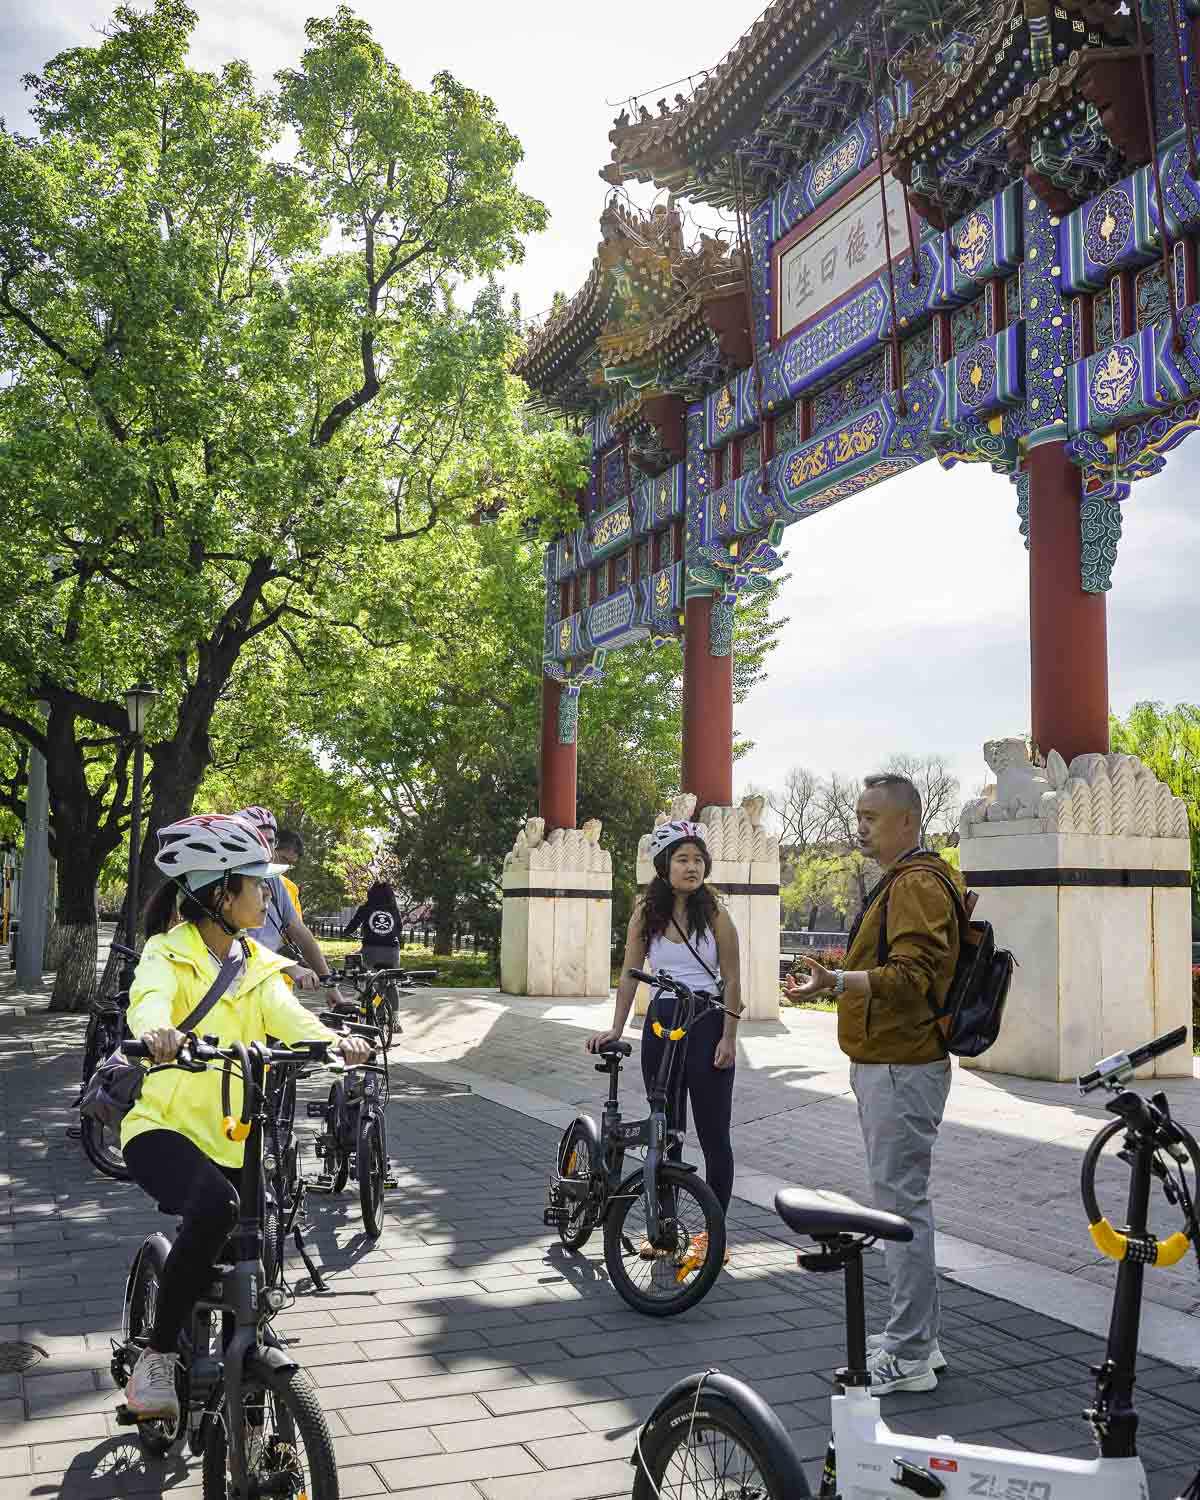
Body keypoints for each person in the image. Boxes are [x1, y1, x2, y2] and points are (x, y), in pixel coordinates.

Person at [120, 812, 371, 1421]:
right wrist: (156, 1030)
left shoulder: (254, 962)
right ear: (219, 894)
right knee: (217, 1209)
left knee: (257, 1230)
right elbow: (146, 997)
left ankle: (245, 1351)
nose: (269, 893)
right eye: (258, 883)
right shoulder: (167, 954)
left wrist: (333, 1044)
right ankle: (156, 1357)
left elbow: (286, 1014)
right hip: (163, 1131)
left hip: (233, 1134)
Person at [784, 772, 962, 1396]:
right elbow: (891, 967)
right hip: (895, 1062)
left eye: (872, 816)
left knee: (900, 1207)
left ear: (908, 820)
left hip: (901, 1065)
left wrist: (837, 984)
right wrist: (833, 979)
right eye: (858, 815)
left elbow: (912, 975)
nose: (860, 825)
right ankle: (921, 1340)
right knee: (901, 1201)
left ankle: (911, 1353)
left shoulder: (915, 881)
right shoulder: (908, 878)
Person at [587, 820, 743, 1261]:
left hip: (707, 1021)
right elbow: (629, 974)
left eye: (697, 859)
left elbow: (732, 978)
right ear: (664, 865)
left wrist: (730, 1035)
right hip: (662, 1025)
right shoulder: (646, 913)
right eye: (682, 859)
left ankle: (713, 1236)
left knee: (714, 1135)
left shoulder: (716, 913)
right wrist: (616, 1028)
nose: (691, 867)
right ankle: (665, 1232)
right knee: (666, 1130)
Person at [235, 807, 332, 989]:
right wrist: (288, 967)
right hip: (235, 984)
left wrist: (328, 982)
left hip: (269, 983)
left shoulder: (274, 881)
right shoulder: (227, 882)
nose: (266, 848)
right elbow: (235, 939)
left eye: (270, 841)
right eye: (258, 840)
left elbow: (298, 930)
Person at [341, 880, 403, 968]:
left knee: (351, 960)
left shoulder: (365, 908)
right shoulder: (394, 910)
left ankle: (356, 981)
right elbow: (399, 928)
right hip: (392, 951)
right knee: (392, 975)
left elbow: (353, 925)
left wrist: (346, 933)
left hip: (370, 949)